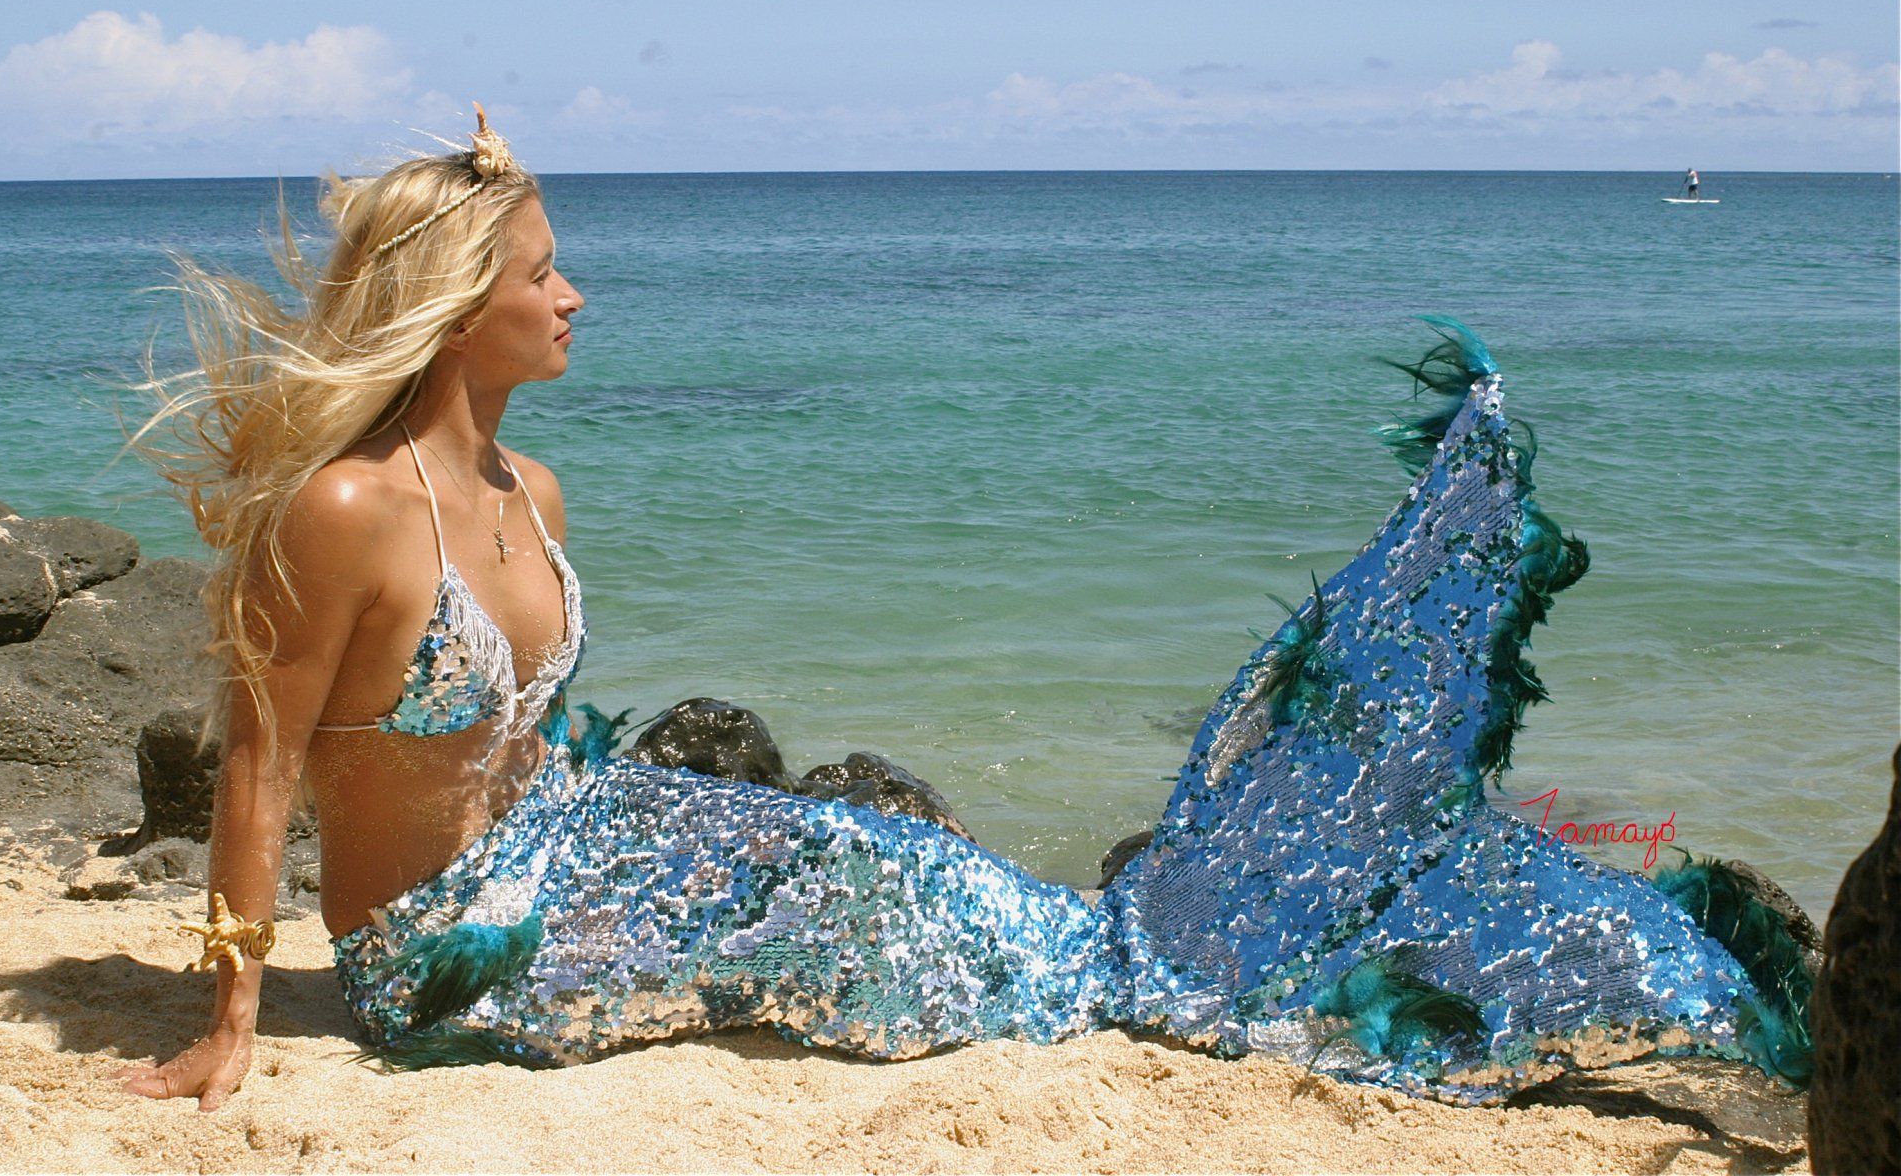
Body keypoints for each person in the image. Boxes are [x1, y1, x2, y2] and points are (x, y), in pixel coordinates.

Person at [119, 108, 1810, 1112]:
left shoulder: (528, 494)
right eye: (540, 269)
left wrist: (663, 823)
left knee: (902, 868)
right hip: (450, 958)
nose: (573, 291)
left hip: (586, 839)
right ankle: (1185, 972)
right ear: (458, 308)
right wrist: (232, 1023)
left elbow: (530, 742)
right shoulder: (348, 511)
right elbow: (260, 776)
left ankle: (1175, 945)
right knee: (874, 933)